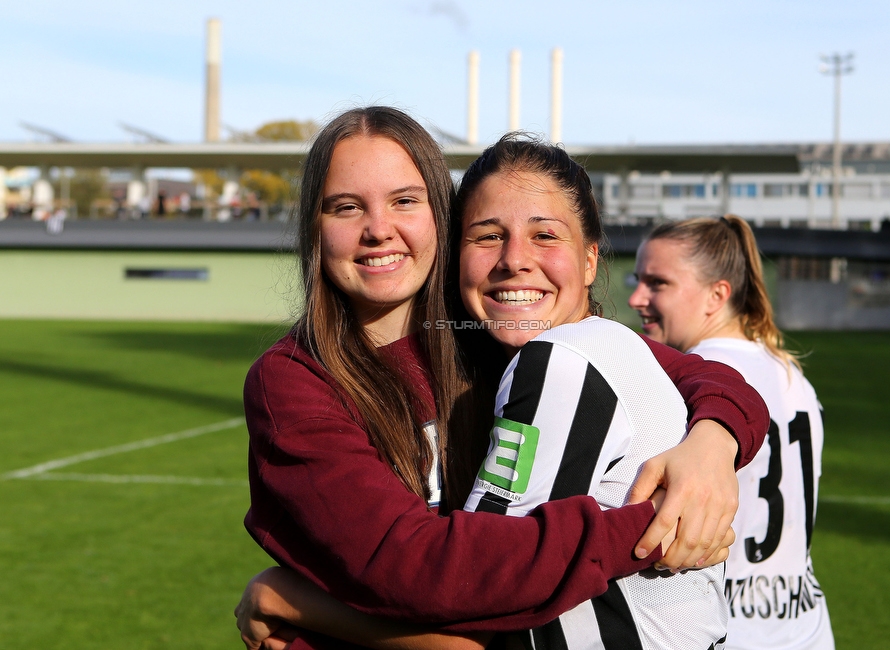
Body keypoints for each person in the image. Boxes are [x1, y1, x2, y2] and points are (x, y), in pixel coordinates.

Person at [238, 108, 768, 649]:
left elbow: (715, 381)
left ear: (439, 220)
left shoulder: (496, 335)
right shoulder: (293, 382)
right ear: (315, 228)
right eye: (346, 207)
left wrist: (712, 444)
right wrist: (650, 528)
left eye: (404, 201)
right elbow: (413, 572)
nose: (378, 229)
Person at [628, 215, 834, 650]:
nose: (636, 297)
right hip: (806, 629)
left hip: (724, 631)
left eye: (657, 283)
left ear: (717, 294)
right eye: (638, 279)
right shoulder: (793, 375)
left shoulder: (690, 386)